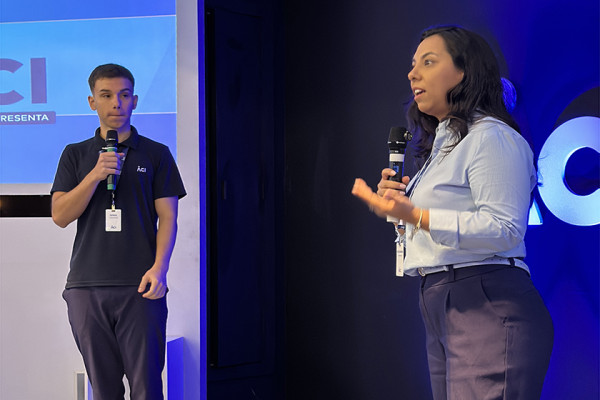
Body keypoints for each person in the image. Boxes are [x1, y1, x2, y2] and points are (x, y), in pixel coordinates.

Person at [352, 26, 553, 399]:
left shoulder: (493, 137)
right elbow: (434, 233)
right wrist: (399, 214)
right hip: (438, 300)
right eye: (413, 64)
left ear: (464, 72)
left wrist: (417, 215)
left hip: (485, 299)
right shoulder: (444, 146)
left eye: (428, 62)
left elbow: (504, 229)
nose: (413, 74)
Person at [51, 64, 186, 400]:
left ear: (135, 100)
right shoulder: (76, 154)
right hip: (86, 287)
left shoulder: (156, 154)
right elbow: (60, 215)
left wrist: (160, 269)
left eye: (124, 95)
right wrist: (95, 175)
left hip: (140, 287)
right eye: (107, 95)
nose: (117, 103)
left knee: (147, 389)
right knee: (104, 390)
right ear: (92, 102)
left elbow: (168, 218)